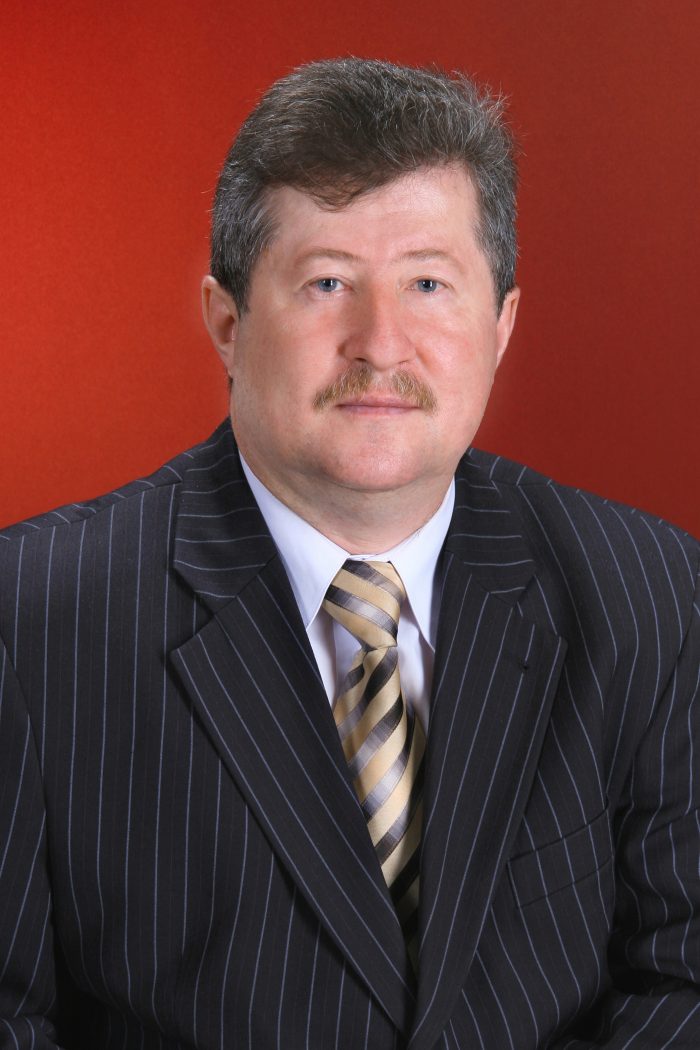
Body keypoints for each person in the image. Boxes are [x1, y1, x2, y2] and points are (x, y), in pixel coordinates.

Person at [0, 57, 698, 1050]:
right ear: (227, 323)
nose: (380, 343)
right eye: (327, 282)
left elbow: (682, 975)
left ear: (501, 325)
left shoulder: (649, 594)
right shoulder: (32, 618)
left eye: (427, 284)